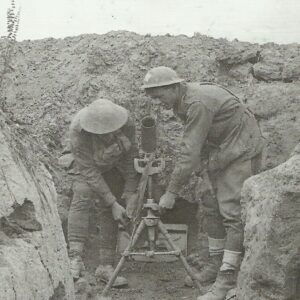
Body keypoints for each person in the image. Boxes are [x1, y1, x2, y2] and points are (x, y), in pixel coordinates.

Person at [141, 66, 264, 300]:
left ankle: (227, 278)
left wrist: (171, 192)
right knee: (209, 202)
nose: (159, 103)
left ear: (175, 87)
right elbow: (200, 143)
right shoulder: (182, 101)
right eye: (154, 98)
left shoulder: (197, 103)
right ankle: (216, 264)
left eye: (160, 96)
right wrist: (204, 174)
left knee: (231, 210)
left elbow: (189, 151)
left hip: (241, 146)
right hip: (219, 148)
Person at [67, 98, 139, 287]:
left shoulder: (126, 121)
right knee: (82, 195)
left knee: (112, 205)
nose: (109, 136)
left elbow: (132, 156)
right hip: (88, 166)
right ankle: (75, 258)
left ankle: (105, 266)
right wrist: (113, 202)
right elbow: (89, 171)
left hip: (116, 164)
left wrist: (130, 192)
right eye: (104, 134)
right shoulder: (78, 131)